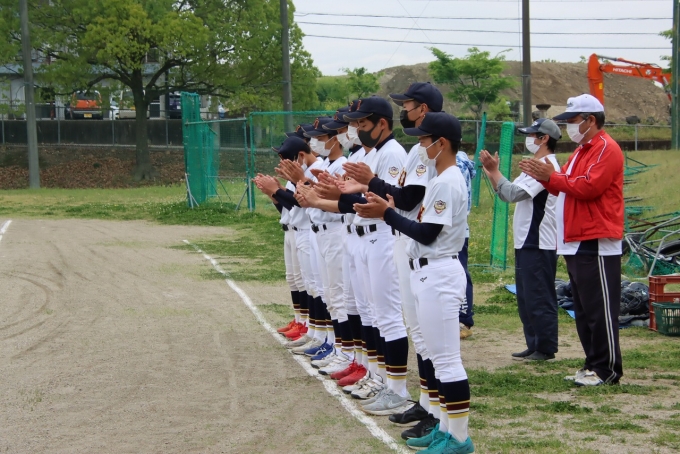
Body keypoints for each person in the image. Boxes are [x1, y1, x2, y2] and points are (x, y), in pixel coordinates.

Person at [355, 111, 474, 454]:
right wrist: (389, 210)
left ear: (442, 143)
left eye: (424, 139)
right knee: (435, 356)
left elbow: (427, 233)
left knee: (447, 360)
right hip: (427, 270)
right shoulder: (440, 178)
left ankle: (459, 439)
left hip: (440, 271)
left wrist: (387, 213)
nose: (420, 146)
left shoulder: (448, 181)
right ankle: (444, 429)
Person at [519, 94, 624, 386]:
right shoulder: (581, 151)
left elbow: (589, 187)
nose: (568, 127)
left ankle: (606, 369)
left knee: (600, 310)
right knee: (585, 310)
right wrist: (544, 177)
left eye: (573, 120)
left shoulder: (606, 148)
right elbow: (562, 186)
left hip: (596, 239)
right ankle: (592, 364)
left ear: (590, 120)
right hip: (576, 239)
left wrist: (551, 177)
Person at [480, 118, 562, 361]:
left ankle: (545, 347)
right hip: (526, 240)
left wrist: (496, 172)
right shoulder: (534, 165)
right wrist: (493, 173)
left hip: (538, 240)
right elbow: (507, 193)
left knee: (539, 295)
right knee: (527, 297)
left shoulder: (546, 165)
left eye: (532, 135)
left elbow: (515, 193)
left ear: (544, 139)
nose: (528, 139)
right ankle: (534, 343)